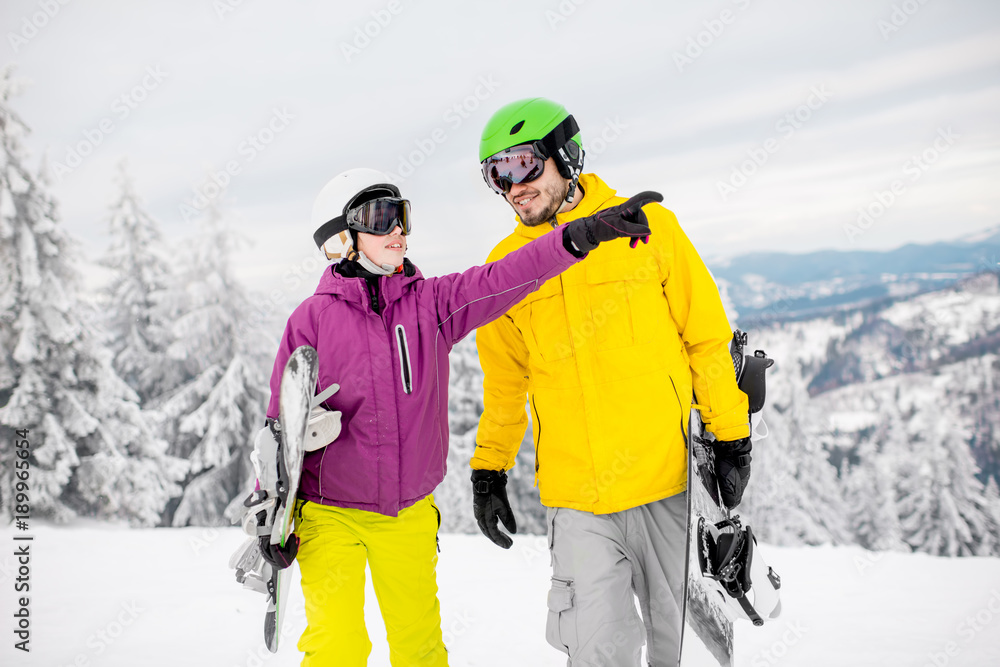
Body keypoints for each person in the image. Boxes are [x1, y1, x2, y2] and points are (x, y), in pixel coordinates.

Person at [244, 167, 659, 666]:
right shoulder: (311, 320)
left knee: (419, 648)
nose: (397, 229)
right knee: (336, 647)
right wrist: (270, 507)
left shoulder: (431, 305)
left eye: (401, 216)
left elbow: (507, 276)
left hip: (407, 514)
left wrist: (576, 238)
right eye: (380, 217)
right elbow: (280, 421)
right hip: (329, 513)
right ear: (342, 239)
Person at [469, 98, 753, 667]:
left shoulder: (649, 229)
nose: (512, 185)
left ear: (564, 155)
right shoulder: (506, 268)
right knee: (597, 649)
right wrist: (489, 469)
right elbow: (505, 383)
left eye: (523, 163)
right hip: (579, 499)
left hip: (667, 483)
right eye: (496, 173)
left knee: (674, 650)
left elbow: (706, 338)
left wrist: (731, 436)